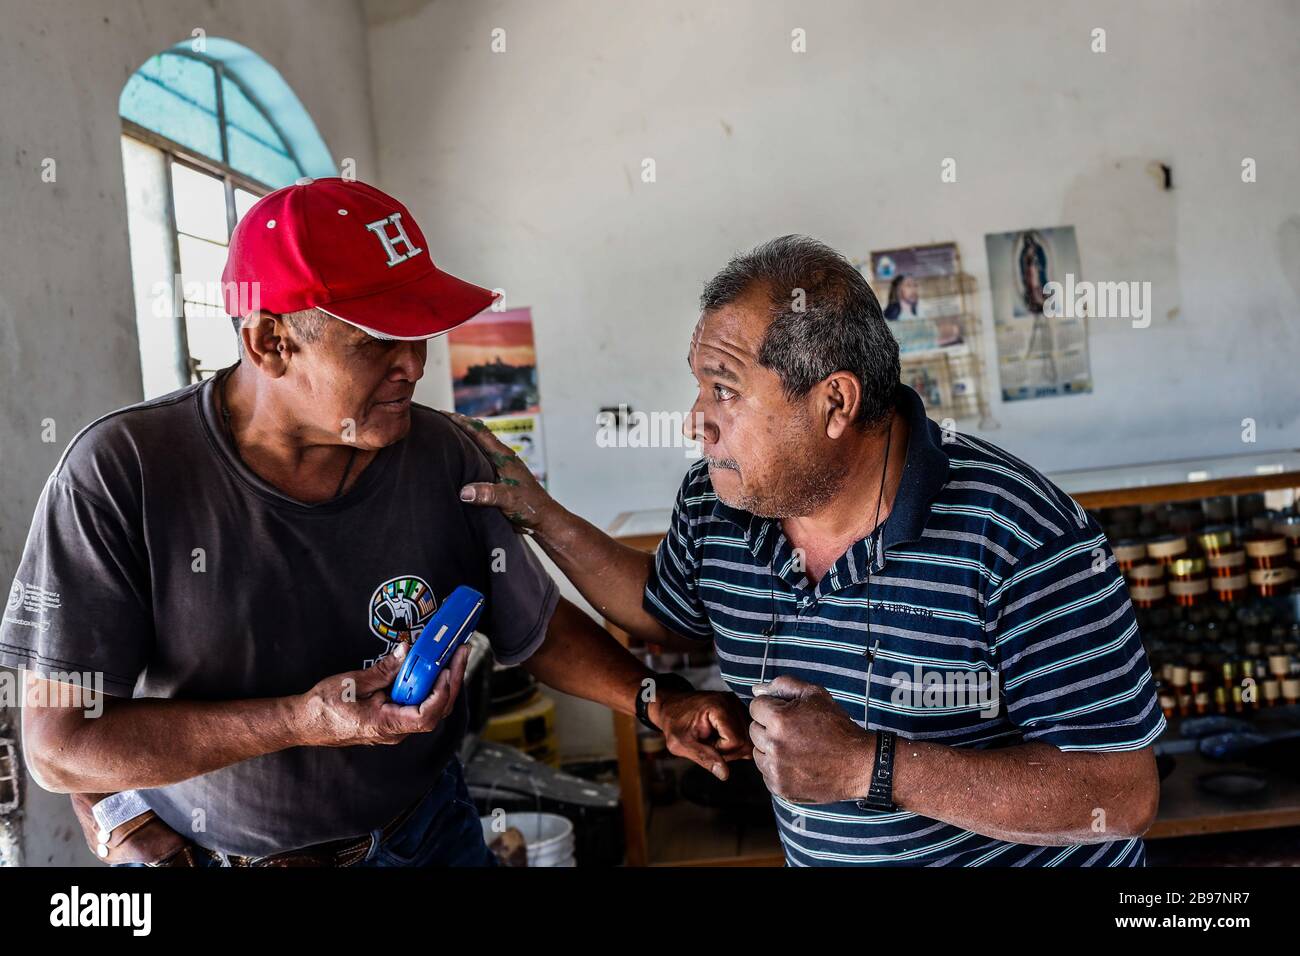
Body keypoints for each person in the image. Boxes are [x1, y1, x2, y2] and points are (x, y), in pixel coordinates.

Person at [1, 178, 748, 867]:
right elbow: (61, 746)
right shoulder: (122, 473)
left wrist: (655, 702)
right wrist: (300, 720)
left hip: (429, 835)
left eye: (418, 335)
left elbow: (533, 626)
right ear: (270, 342)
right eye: (375, 341)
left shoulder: (441, 454)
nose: (414, 366)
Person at [455, 234, 1164, 867]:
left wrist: (871, 768)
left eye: (723, 390)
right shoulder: (719, 503)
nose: (696, 421)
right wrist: (540, 515)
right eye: (699, 385)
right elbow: (661, 611)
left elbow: (1119, 791)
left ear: (835, 403)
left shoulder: (1019, 532)